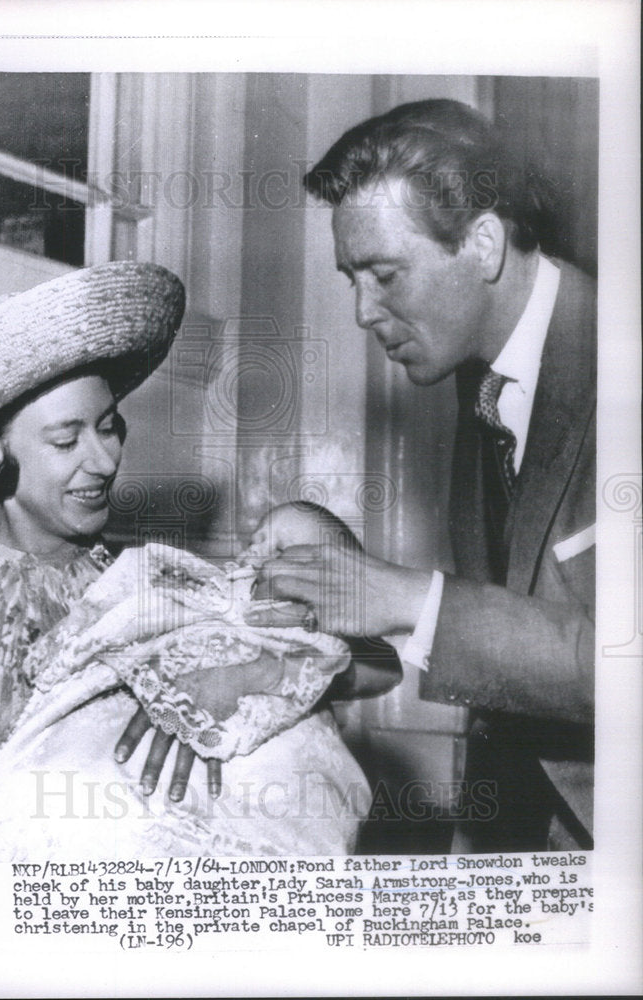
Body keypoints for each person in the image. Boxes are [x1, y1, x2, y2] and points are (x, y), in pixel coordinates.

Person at [0, 261, 370, 862]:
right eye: (67, 441)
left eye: (110, 428)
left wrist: (245, 678)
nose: (105, 460)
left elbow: (368, 659)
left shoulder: (154, 581)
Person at [250, 99, 595, 852]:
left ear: (482, 244)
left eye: (384, 275)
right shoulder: (486, 388)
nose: (363, 313)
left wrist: (402, 595)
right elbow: (513, 655)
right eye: (350, 279)